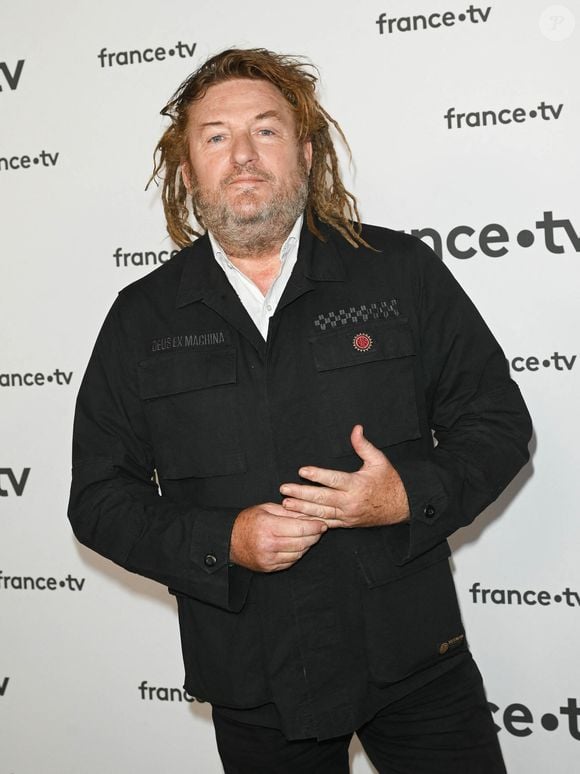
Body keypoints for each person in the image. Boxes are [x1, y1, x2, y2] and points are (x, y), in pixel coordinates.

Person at [68, 48, 532, 773]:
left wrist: (405, 494)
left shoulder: (399, 271)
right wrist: (225, 539)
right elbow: (99, 499)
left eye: (266, 131)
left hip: (415, 660)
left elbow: (499, 424)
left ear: (305, 155)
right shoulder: (140, 318)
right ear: (188, 170)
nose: (243, 156)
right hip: (253, 678)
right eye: (216, 136)